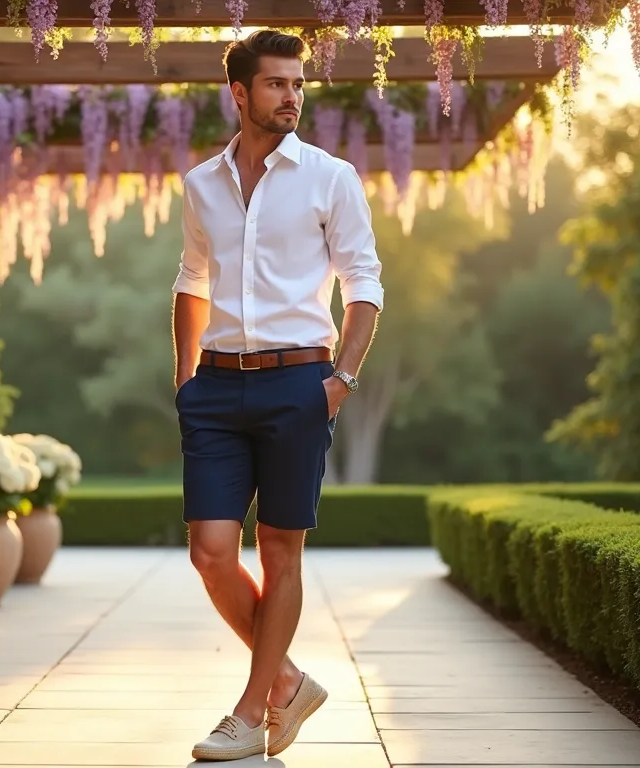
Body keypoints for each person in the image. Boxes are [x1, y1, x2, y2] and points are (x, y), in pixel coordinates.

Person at [170, 29, 385, 762]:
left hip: (301, 382)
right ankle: (289, 682)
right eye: (276, 84)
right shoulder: (201, 183)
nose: (292, 96)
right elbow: (190, 281)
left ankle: (247, 713)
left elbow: (365, 288)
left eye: (298, 84)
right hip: (217, 384)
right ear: (239, 93)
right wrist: (183, 375)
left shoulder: (332, 177)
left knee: (279, 552)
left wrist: (340, 382)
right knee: (209, 551)